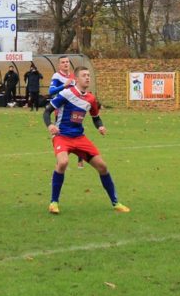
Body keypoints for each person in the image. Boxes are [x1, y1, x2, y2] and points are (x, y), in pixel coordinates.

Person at [44, 65, 129, 214]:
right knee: (63, 162)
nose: (87, 77)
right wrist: (50, 125)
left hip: (79, 138)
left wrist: (100, 127)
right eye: (84, 75)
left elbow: (96, 117)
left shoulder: (91, 98)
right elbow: (47, 111)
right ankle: (53, 202)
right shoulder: (66, 93)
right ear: (76, 79)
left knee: (102, 166)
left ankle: (116, 203)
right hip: (62, 137)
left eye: (89, 75)